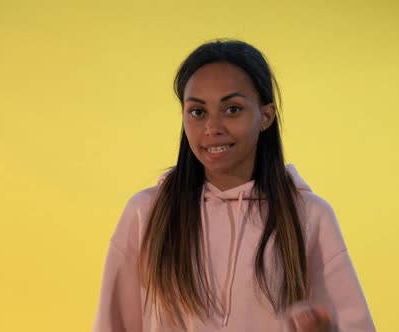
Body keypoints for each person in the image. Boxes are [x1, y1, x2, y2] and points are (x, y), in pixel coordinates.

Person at [92, 39, 376, 332]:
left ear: (265, 116)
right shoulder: (146, 213)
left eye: (232, 109)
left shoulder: (309, 216)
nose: (213, 128)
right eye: (198, 112)